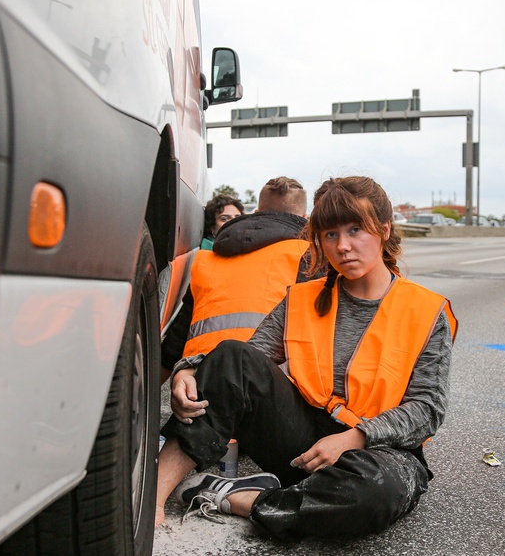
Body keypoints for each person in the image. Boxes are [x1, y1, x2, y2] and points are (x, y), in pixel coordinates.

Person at [155, 176, 458, 541]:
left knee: (371, 495)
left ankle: (244, 498)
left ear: (384, 229)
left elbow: (427, 408)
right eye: (330, 235)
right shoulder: (302, 298)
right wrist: (190, 367)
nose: (343, 246)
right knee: (231, 356)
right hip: (304, 442)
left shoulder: (426, 310)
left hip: (378, 453)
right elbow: (248, 357)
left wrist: (355, 438)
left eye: (355, 230)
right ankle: (154, 494)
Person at [161, 177, 311, 380]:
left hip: (202, 382)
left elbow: (175, 343)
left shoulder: (208, 259)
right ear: (304, 218)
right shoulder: (310, 257)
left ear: (256, 213)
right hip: (271, 384)